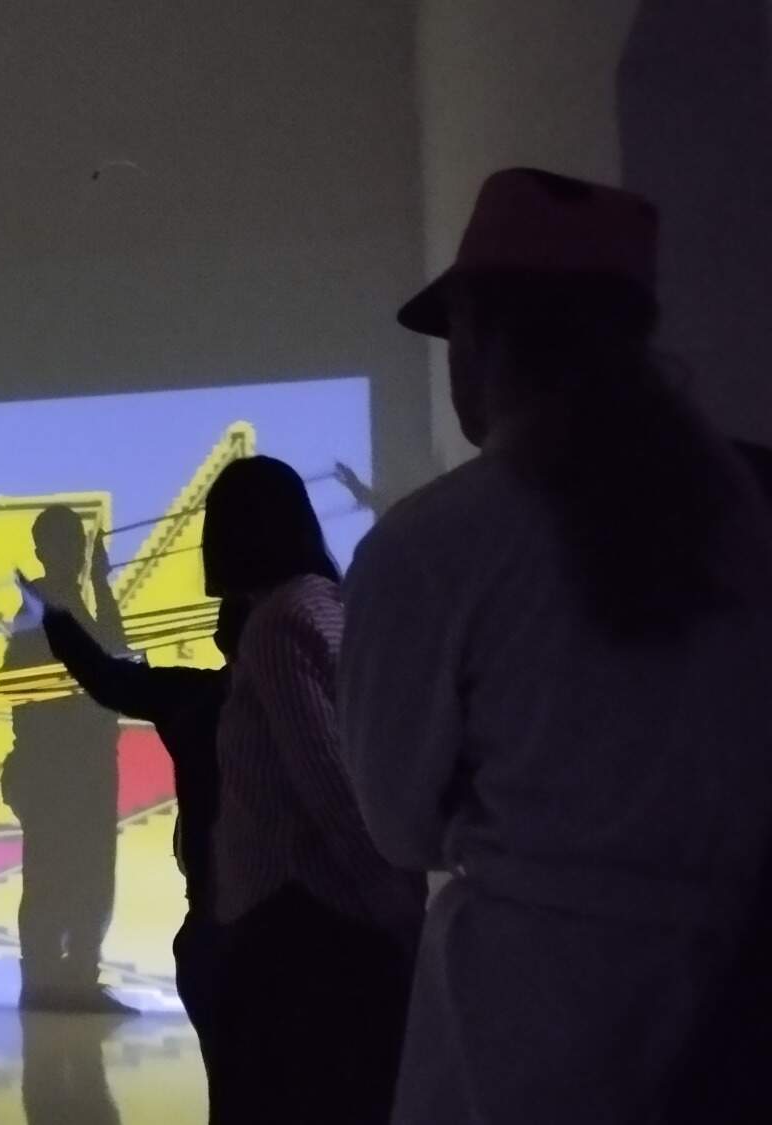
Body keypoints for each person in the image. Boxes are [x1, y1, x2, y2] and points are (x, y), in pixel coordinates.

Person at [343, 168, 772, 1125]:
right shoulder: (744, 509)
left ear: (485, 337)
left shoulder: (432, 543)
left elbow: (398, 825)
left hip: (519, 1023)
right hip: (733, 1001)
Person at [201, 456, 424, 1125]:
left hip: (298, 926)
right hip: (334, 923)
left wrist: (394, 907)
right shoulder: (330, 604)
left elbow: (329, 782)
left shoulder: (278, 623)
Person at [21, 575, 246, 1123]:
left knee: (235, 1083)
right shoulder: (323, 697)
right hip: (267, 927)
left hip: (217, 923)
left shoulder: (197, 698)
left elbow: (106, 677)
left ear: (223, 640)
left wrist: (56, 618)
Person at [0, 509, 134, 1013]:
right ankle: (46, 983)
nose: (76, 553)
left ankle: (75, 979)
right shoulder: (38, 608)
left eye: (78, 542)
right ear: (43, 550)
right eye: (67, 543)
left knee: (89, 874)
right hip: (56, 768)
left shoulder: (61, 601)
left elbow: (114, 660)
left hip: (84, 763)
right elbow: (108, 659)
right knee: (55, 874)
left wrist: (100, 584)